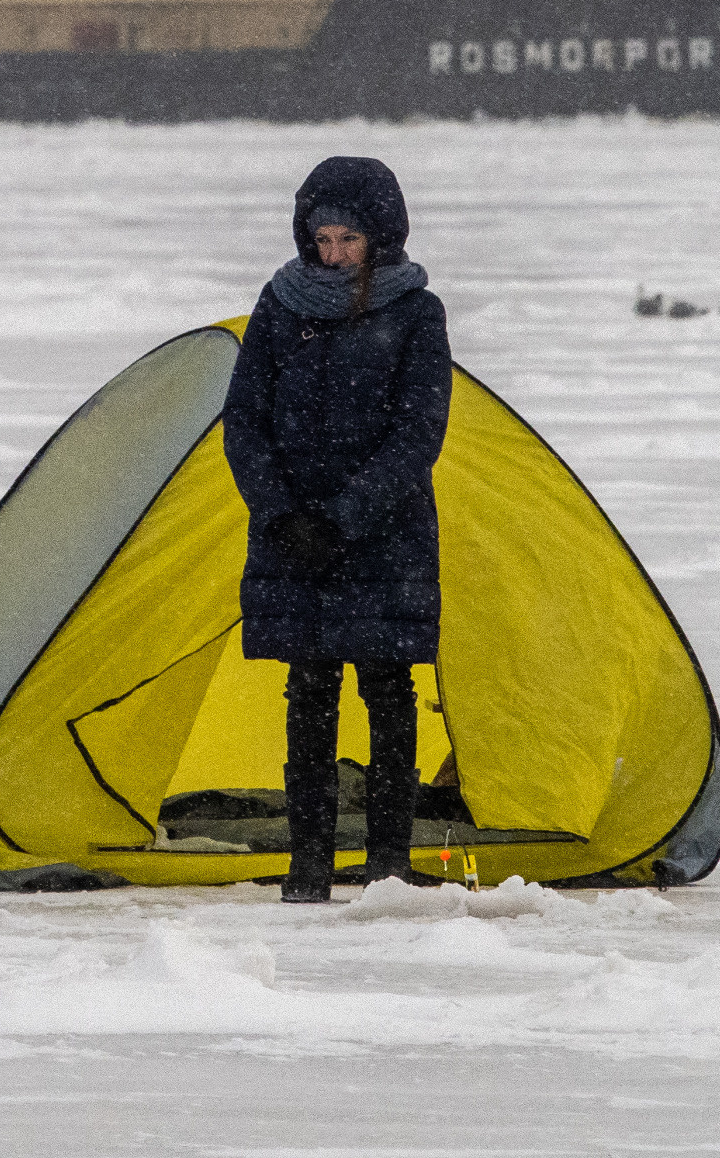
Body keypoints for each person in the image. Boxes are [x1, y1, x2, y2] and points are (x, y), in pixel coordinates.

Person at [223, 156, 452, 902]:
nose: (332, 252)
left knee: (389, 693)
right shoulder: (279, 304)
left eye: (348, 238)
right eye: (321, 237)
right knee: (309, 693)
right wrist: (283, 515)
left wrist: (345, 518)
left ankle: (387, 863)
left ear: (380, 235)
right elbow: (244, 423)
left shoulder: (416, 313)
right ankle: (309, 866)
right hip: (294, 540)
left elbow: (417, 436)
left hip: (386, 540)